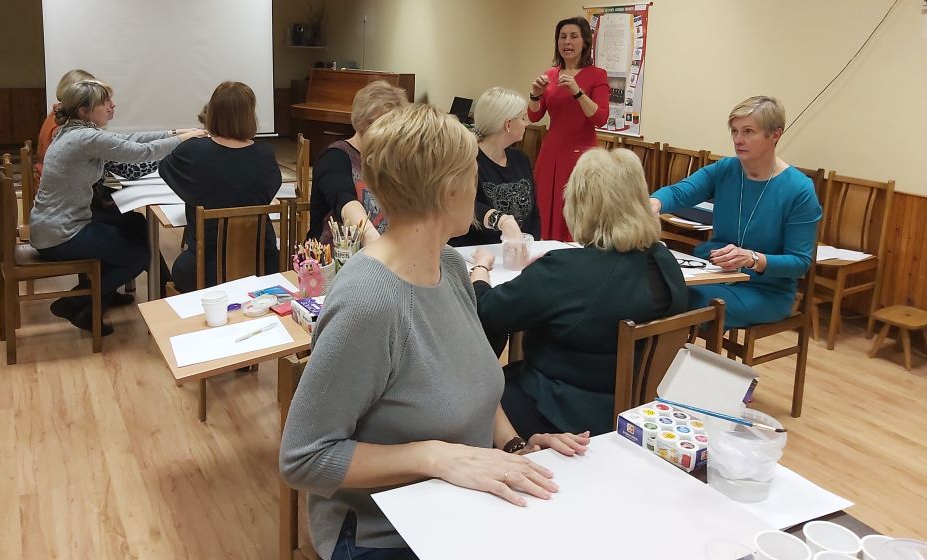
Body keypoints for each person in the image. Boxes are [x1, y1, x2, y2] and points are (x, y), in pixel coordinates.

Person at [280, 104, 590, 560]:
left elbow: (472, 382)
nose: (478, 188)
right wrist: (437, 457)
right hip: (385, 533)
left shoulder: (449, 265)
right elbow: (304, 458)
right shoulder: (369, 300)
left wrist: (516, 447)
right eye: (473, 175)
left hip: (460, 507)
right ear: (449, 191)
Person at [472, 148, 687, 438]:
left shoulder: (567, 271)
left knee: (472, 397)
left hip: (563, 413)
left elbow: (489, 313)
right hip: (641, 408)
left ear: (580, 203)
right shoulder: (664, 260)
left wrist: (480, 271)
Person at [31, 80, 205, 334]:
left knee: (136, 224)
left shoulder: (74, 130)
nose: (112, 106)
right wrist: (182, 140)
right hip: (60, 234)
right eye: (105, 103)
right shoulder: (85, 137)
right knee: (137, 256)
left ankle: (110, 296)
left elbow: (129, 139)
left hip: (57, 224)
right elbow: (140, 152)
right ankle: (76, 302)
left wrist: (173, 132)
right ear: (84, 110)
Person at [650, 95, 822, 329]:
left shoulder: (798, 189)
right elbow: (682, 191)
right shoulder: (726, 169)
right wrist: (655, 202)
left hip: (764, 291)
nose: (738, 140)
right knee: (655, 286)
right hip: (715, 273)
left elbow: (799, 262)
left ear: (775, 135)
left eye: (748, 131)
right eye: (734, 131)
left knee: (685, 299)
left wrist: (753, 259)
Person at [159, 81, 282, 291]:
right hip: (262, 266)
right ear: (250, 115)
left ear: (212, 113)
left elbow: (166, 169)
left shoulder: (192, 152)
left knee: (178, 269)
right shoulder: (265, 155)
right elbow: (268, 190)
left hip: (205, 270)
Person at [528, 16, 610, 241]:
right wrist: (535, 95)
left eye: (574, 36)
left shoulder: (597, 75)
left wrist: (578, 92)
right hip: (551, 152)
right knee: (545, 204)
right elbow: (534, 115)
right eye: (562, 37)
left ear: (585, 42)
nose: (567, 42)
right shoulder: (551, 74)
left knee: (576, 208)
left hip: (581, 155)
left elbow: (600, 118)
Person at [307, 80, 409, 245]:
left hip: (382, 252)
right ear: (363, 122)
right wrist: (370, 237)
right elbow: (344, 200)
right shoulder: (335, 157)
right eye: (381, 125)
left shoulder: (392, 161)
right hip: (335, 256)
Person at [449, 87, 541, 247]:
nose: (526, 124)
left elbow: (533, 213)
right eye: (522, 118)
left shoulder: (521, 159)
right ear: (508, 124)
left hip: (519, 252)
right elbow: (464, 206)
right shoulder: (468, 160)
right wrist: (501, 220)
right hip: (477, 253)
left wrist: (533, 246)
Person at [35, 69, 156, 181]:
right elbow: (127, 169)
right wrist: (163, 156)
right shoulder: (69, 129)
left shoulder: (58, 118)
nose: (111, 104)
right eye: (101, 100)